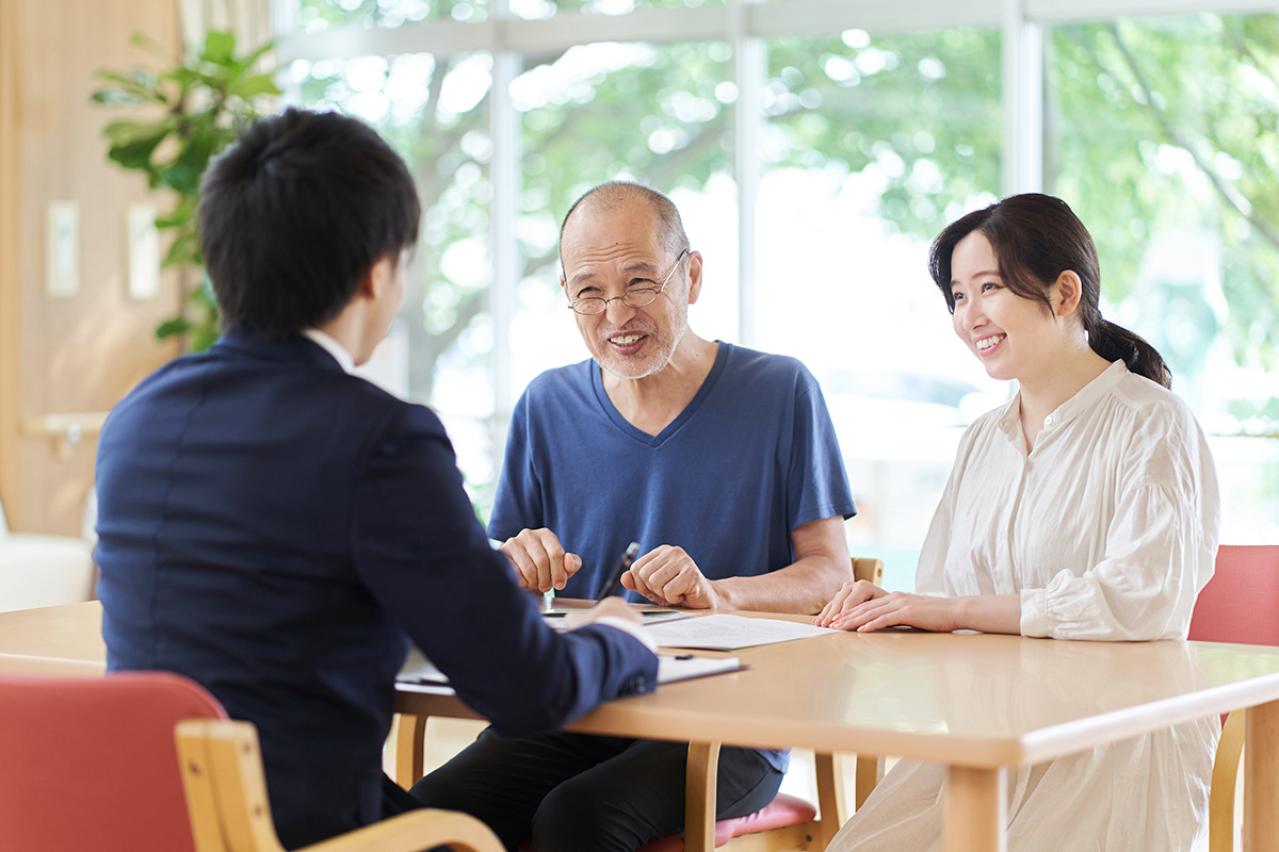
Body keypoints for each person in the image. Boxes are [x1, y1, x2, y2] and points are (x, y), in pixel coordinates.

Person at [93, 109, 659, 850]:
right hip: (302, 833)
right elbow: (527, 690)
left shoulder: (137, 418)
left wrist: (449, 583)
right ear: (377, 271)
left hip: (152, 825)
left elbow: (267, 597)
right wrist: (618, 636)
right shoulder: (379, 437)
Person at [410, 181, 858, 850]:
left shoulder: (779, 390)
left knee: (580, 817)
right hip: (581, 701)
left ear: (692, 275)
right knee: (432, 818)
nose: (616, 313)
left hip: (731, 724)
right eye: (589, 291)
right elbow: (499, 590)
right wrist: (513, 568)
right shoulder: (546, 404)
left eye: (639, 282)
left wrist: (718, 594)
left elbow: (830, 574)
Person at [816, 193, 1220, 850]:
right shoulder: (980, 439)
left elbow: (1142, 599)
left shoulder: (1151, 422)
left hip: (1112, 740)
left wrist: (950, 612)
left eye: (988, 288)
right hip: (987, 731)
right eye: (956, 297)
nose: (967, 315)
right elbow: (943, 593)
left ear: (1064, 294)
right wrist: (894, 612)